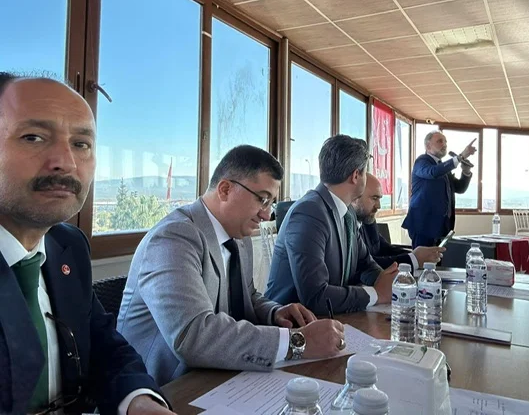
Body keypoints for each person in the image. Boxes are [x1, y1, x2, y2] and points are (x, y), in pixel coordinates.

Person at [0, 72, 172, 415]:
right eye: (33, 137)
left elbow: (104, 347)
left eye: (81, 144)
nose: (66, 162)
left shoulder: (68, 245)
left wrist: (140, 402)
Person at [117, 145, 344, 385]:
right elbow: (193, 336)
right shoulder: (173, 238)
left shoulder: (238, 237)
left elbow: (249, 296)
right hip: (165, 388)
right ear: (225, 189)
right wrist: (297, 342)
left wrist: (275, 312)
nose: (267, 215)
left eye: (271, 203)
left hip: (221, 376)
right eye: (262, 199)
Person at [266, 135, 398, 315]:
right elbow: (316, 297)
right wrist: (377, 294)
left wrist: (389, 280)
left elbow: (365, 265)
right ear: (356, 176)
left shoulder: (347, 212)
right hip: (295, 325)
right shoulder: (309, 212)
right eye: (365, 172)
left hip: (333, 319)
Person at [353, 174, 445, 271]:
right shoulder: (346, 228)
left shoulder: (368, 221)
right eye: (374, 198)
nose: (379, 206)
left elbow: (385, 249)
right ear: (355, 197)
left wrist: (417, 255)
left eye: (379, 199)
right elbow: (366, 265)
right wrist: (413, 259)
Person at [402, 131, 476, 248]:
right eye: (440, 141)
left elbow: (459, 188)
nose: (444, 144)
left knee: (440, 259)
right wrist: (460, 157)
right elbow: (433, 172)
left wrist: (466, 172)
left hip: (443, 226)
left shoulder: (442, 167)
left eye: (445, 142)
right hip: (424, 225)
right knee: (423, 259)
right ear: (428, 146)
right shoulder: (422, 161)